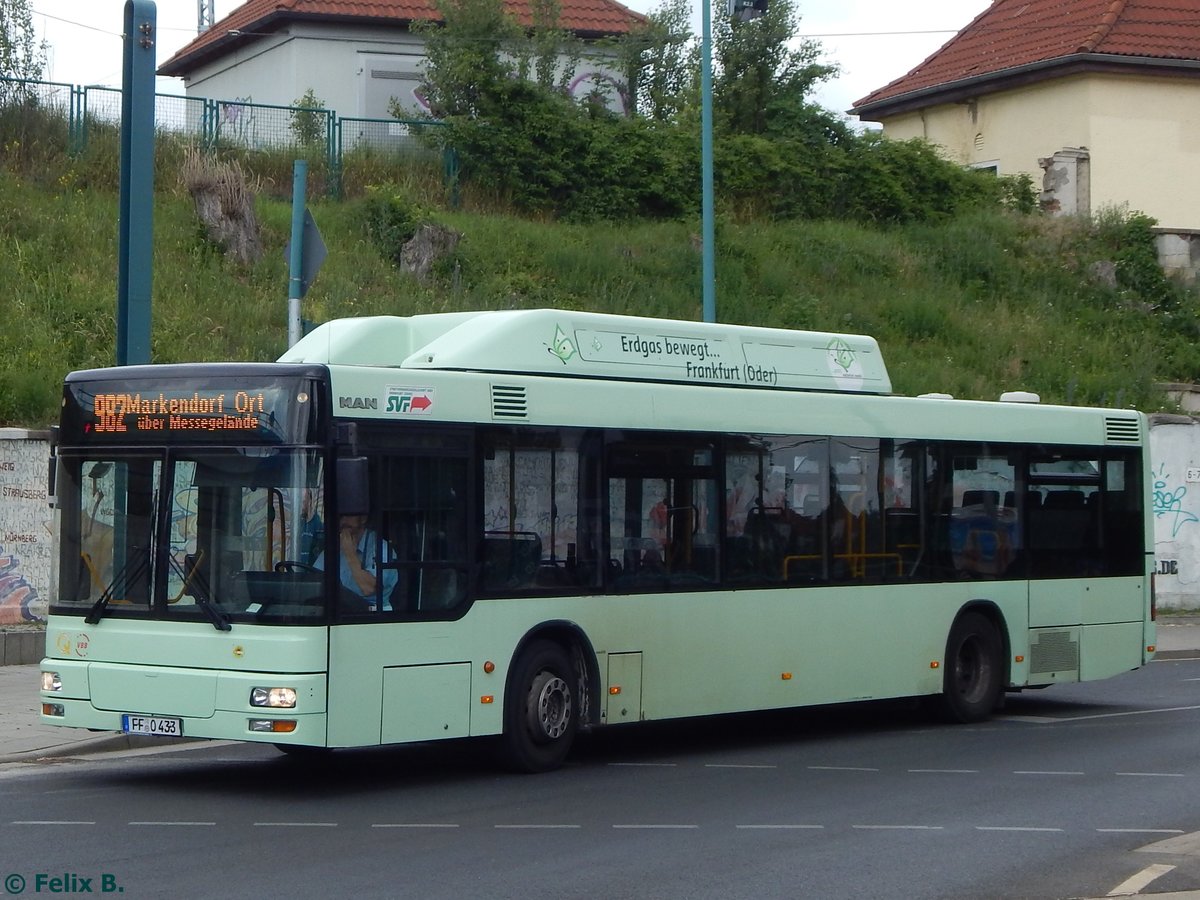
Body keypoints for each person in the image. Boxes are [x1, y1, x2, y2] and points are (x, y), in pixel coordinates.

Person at [314, 514, 398, 611]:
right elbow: (314, 579)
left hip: (373, 613)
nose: (343, 520)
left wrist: (350, 553)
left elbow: (369, 588)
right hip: (337, 611)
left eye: (348, 515)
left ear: (363, 518)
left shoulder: (381, 548)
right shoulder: (334, 547)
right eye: (340, 516)